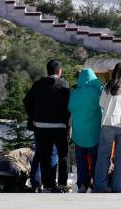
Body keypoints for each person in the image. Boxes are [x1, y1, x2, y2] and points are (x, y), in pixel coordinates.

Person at [24, 59, 71, 193]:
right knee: (63, 155)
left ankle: (48, 184)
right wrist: (68, 123)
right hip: (60, 126)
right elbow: (69, 106)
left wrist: (33, 118)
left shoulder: (38, 84)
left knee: (44, 155)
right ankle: (62, 183)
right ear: (59, 71)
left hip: (41, 126)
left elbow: (27, 101)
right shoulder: (64, 84)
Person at [93, 62, 121, 193]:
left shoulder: (108, 86)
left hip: (108, 123)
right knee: (120, 158)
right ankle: (116, 186)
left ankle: (101, 185)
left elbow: (101, 104)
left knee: (103, 156)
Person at [68, 68, 103, 193]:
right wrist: (98, 84)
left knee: (81, 161)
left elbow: (70, 108)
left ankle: (82, 184)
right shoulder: (97, 93)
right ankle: (94, 184)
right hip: (94, 133)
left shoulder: (74, 93)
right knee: (95, 160)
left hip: (79, 134)